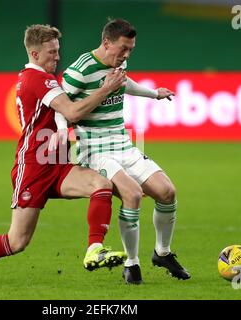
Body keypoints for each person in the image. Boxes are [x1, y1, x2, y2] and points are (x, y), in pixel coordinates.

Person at [0, 24, 128, 282]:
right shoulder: (37, 79)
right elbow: (73, 111)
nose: (57, 56)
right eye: (51, 52)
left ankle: (94, 249)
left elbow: (68, 114)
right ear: (34, 53)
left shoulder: (41, 78)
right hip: (33, 167)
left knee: (101, 184)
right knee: (17, 242)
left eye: (57, 50)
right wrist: (106, 88)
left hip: (57, 163)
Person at [53, 18, 190, 284]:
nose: (126, 55)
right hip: (94, 150)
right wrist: (61, 133)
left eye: (130, 50)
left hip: (124, 145)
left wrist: (153, 93)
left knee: (167, 192)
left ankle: (162, 253)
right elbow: (61, 105)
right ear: (107, 42)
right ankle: (132, 263)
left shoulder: (119, 63)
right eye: (123, 49)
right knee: (133, 194)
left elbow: (124, 83)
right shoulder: (78, 72)